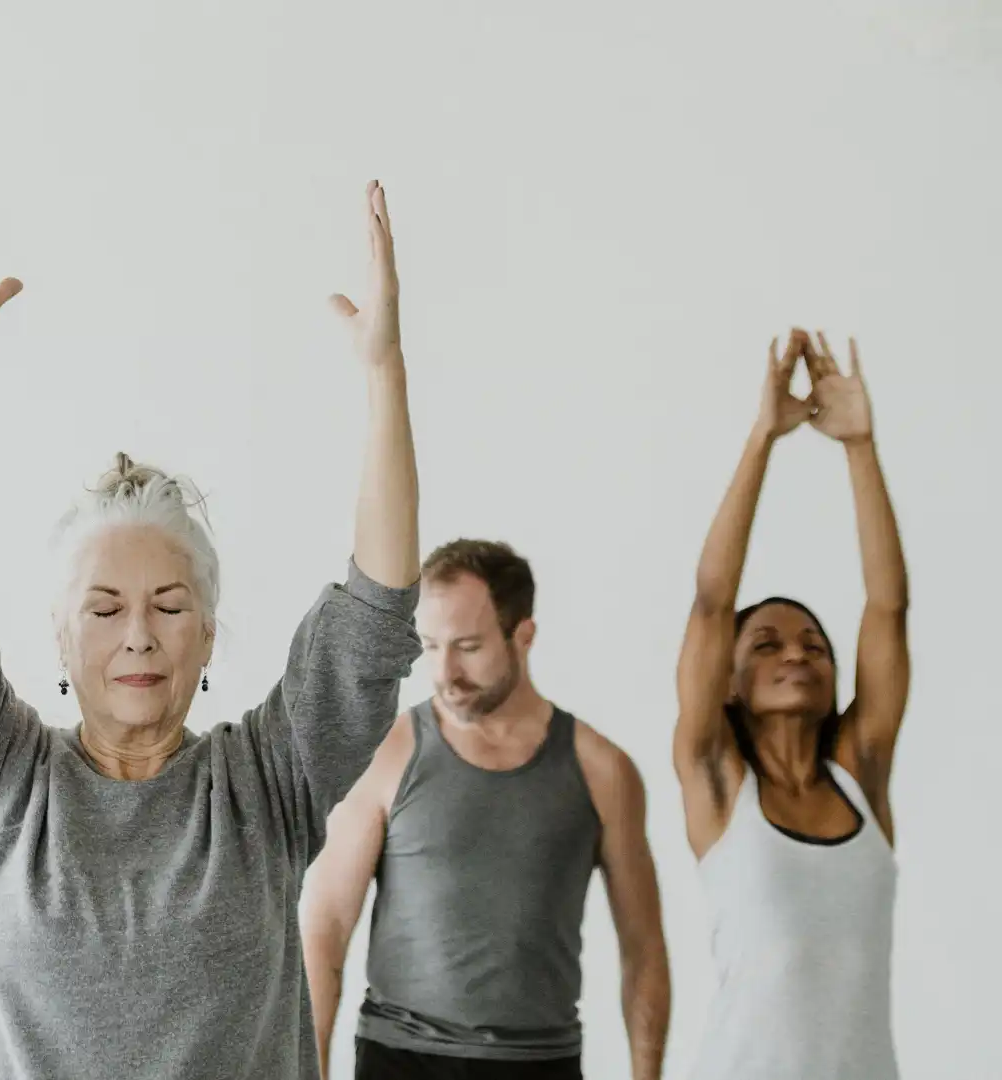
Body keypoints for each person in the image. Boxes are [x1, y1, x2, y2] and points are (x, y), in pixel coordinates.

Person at [0, 162, 423, 1080]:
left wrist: (385, 377)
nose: (138, 634)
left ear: (207, 632)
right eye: (105, 607)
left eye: (169, 607)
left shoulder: (264, 784)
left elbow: (374, 620)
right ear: (60, 633)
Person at [302, 542, 670, 1080]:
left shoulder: (603, 770)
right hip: (400, 1059)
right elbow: (325, 928)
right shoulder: (389, 752)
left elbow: (644, 951)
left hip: (541, 1063)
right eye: (430, 646)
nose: (445, 671)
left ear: (523, 635)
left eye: (468, 646)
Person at [675, 329, 909, 1079]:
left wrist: (859, 448)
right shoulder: (717, 782)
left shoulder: (861, 777)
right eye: (768, 645)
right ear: (732, 685)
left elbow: (887, 608)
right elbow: (713, 602)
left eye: (814, 643)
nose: (797, 653)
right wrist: (763, 440)